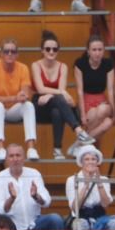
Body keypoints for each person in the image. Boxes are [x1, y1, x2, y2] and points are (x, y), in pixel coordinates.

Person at [0, 37, 40, 161]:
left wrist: (23, 97)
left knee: (29, 105)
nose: (9, 54)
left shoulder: (23, 68)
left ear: (17, 54)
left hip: (11, 109)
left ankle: (31, 148)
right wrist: (15, 98)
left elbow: (25, 94)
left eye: (13, 51)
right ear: (1, 53)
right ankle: (0, 148)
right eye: (6, 51)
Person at [31, 30, 84, 159]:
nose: (51, 52)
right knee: (60, 98)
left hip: (56, 104)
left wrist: (51, 95)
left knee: (57, 112)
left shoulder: (63, 67)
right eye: (48, 49)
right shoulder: (36, 65)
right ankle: (78, 130)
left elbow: (60, 89)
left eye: (55, 49)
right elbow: (40, 89)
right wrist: (56, 93)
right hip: (40, 103)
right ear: (42, 50)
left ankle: (57, 149)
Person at [0, 143, 64, 230]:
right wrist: (11, 199)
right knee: (1, 222)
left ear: (24, 158)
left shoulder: (34, 174)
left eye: (18, 155)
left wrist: (36, 196)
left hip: (35, 223)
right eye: (11, 156)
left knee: (55, 219)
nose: (15, 159)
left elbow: (47, 201)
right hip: (11, 226)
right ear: (6, 159)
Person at [74, 36, 115, 150]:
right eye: (94, 50)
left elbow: (110, 89)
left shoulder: (108, 64)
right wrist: (83, 114)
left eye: (100, 50)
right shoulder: (80, 64)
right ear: (88, 51)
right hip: (86, 100)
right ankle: (81, 144)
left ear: (104, 50)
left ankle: (79, 144)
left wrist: (113, 112)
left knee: (103, 111)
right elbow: (79, 91)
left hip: (102, 100)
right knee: (106, 123)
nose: (97, 53)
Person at [66, 147, 115, 230]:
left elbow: (105, 204)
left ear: (97, 162)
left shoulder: (104, 179)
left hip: (100, 217)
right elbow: (75, 207)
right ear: (82, 162)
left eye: (93, 159)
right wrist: (85, 185)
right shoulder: (72, 179)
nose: (90, 162)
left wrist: (99, 182)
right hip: (81, 216)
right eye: (87, 159)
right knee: (79, 225)